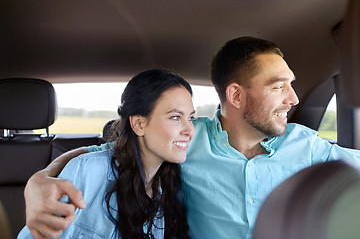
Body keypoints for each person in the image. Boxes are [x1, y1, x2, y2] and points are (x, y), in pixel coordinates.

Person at [22, 37, 360, 239]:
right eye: (278, 86)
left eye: (188, 116)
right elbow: (107, 154)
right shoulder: (184, 143)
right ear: (236, 96)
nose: (294, 98)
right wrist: (39, 181)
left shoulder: (310, 147)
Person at [18, 69, 195, 238]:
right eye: (175, 117)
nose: (190, 130)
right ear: (139, 124)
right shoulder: (86, 172)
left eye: (191, 118)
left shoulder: (170, 186)